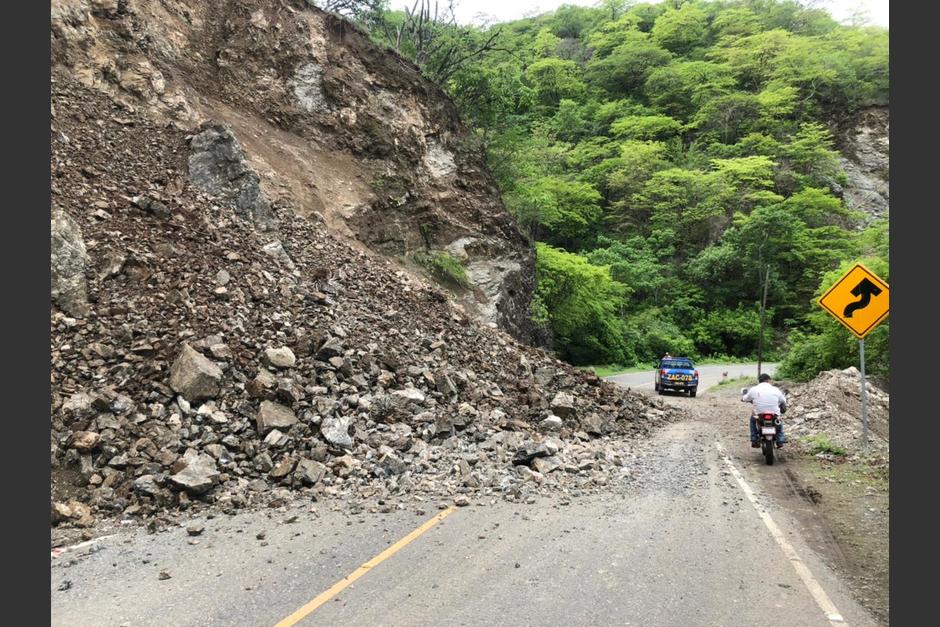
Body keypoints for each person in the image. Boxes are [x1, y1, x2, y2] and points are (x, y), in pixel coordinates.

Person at [741, 373, 787, 448]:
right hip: (774, 414)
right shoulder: (775, 389)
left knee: (752, 420)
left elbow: (746, 398)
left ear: (759, 381)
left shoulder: (754, 389)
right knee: (779, 420)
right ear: (769, 380)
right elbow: (783, 400)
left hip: (759, 414)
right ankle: (780, 439)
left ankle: (754, 438)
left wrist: (743, 398)